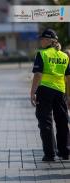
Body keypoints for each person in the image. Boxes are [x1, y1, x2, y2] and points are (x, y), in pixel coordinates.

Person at [30, 28, 70, 162]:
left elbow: (38, 75)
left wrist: (32, 92)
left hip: (45, 91)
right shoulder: (64, 56)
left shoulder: (42, 54)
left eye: (42, 39)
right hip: (60, 91)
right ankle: (65, 152)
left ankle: (50, 154)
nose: (40, 41)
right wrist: (68, 95)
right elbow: (68, 77)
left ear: (49, 40)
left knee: (45, 122)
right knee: (62, 121)